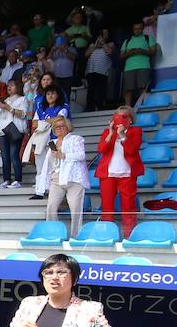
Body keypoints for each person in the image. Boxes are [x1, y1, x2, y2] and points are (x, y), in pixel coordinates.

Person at [94, 107, 144, 237]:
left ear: (131, 120)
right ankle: (107, 236)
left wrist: (122, 135)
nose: (121, 119)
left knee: (128, 207)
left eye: (125, 116)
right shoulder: (107, 132)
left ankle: (129, 235)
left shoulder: (136, 131)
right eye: (118, 116)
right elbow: (101, 149)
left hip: (127, 174)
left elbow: (132, 150)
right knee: (107, 207)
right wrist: (111, 133)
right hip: (108, 174)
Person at [43, 116, 90, 234]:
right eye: (56, 127)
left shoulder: (76, 139)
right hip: (57, 178)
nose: (59, 129)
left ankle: (75, 235)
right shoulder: (52, 143)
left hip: (73, 177)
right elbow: (50, 164)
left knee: (75, 209)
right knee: (51, 207)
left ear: (68, 127)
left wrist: (64, 155)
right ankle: (53, 233)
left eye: (62, 126)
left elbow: (81, 156)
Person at [0, 80, 29, 190]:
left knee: (13, 155)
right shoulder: (4, 101)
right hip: (3, 131)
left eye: (12, 85)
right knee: (5, 157)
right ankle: (6, 179)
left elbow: (22, 114)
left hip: (15, 130)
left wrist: (8, 108)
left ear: (18, 87)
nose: (9, 87)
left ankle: (18, 179)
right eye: (8, 85)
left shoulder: (23, 99)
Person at [120, 20, 158, 105]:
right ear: (132, 29)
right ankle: (128, 108)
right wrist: (130, 53)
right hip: (129, 68)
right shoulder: (127, 40)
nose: (137, 30)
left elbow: (153, 51)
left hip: (144, 66)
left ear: (143, 29)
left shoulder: (148, 38)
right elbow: (121, 56)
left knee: (143, 88)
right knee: (128, 89)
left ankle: (144, 105)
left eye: (139, 28)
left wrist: (142, 51)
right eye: (135, 29)